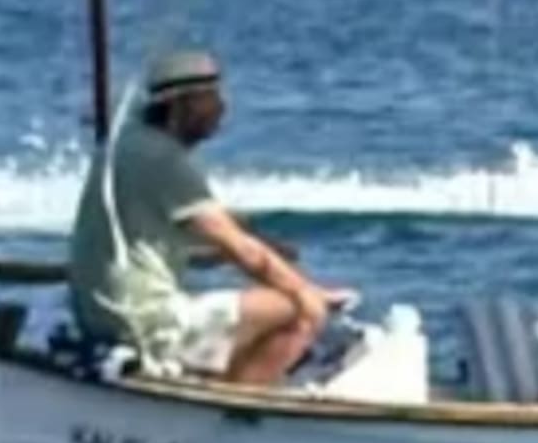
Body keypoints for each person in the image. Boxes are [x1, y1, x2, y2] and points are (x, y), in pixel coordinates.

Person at [67, 49, 355, 386]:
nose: (221, 108)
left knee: (260, 306)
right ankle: (239, 415)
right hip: (143, 321)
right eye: (209, 99)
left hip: (102, 314)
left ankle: (222, 386)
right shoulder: (164, 161)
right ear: (178, 107)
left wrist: (261, 253)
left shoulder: (126, 143)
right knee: (295, 309)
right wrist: (308, 292)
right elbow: (242, 250)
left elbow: (163, 243)